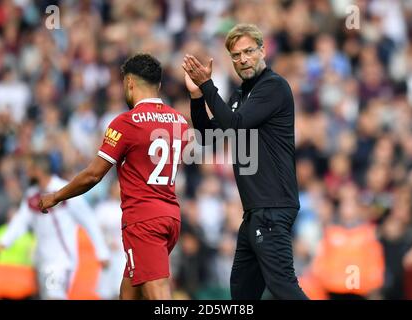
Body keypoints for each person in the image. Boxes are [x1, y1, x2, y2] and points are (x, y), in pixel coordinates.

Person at [39, 54, 189, 300]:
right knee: (128, 293)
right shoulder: (180, 122)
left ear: (129, 82)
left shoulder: (126, 123)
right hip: (170, 216)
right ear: (159, 85)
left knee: (159, 296)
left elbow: (94, 175)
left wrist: (56, 196)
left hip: (143, 221)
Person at [183, 23, 308, 300]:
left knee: (284, 287)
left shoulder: (273, 86)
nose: (243, 59)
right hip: (254, 211)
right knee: (242, 293)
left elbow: (236, 124)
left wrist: (207, 85)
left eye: (249, 51)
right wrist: (196, 96)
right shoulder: (241, 95)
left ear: (263, 50)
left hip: (272, 206)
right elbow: (208, 136)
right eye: (236, 55)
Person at [0, 154, 110, 300]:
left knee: (54, 296)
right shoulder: (32, 195)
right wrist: (5, 240)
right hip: (42, 260)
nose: (27, 173)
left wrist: (102, 252)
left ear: (38, 170)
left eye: (30, 169)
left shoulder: (65, 190)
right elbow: (22, 220)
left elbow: (88, 220)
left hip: (61, 260)